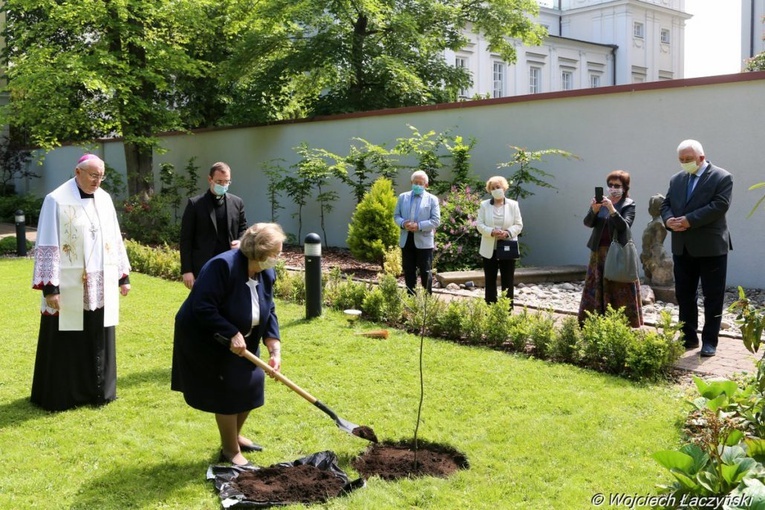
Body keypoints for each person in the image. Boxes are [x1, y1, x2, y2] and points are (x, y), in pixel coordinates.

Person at [171, 222, 285, 467]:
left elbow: (269, 308)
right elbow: (202, 306)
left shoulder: (266, 271)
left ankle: (235, 436)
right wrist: (230, 332)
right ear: (260, 252)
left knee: (252, 384)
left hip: (245, 337)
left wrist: (274, 347)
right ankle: (230, 450)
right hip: (206, 336)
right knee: (228, 390)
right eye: (276, 253)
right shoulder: (222, 266)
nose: (279, 258)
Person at [30, 154, 131, 411]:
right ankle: (64, 394)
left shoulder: (105, 199)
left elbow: (114, 238)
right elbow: (48, 242)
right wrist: (51, 288)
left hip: (100, 282)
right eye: (93, 175)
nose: (97, 180)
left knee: (98, 335)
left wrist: (122, 276)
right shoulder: (56, 200)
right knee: (67, 339)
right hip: (68, 284)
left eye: (101, 176)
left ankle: (99, 391)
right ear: (78, 172)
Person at [660, 140, 732, 357]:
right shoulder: (677, 179)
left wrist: (689, 220)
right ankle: (688, 337)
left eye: (688, 160)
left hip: (711, 247)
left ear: (701, 157)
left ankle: (710, 341)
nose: (684, 164)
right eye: (681, 160)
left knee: (713, 296)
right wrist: (669, 220)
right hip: (682, 246)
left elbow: (719, 205)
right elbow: (666, 204)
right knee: (684, 294)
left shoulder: (722, 177)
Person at [578, 170, 643, 328]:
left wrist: (613, 210)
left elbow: (624, 226)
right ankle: (593, 320)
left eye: (617, 185)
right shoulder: (601, 203)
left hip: (618, 252)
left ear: (625, 187)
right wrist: (594, 209)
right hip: (598, 252)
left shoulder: (629, 204)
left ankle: (623, 323)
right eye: (610, 185)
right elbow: (588, 223)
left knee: (619, 284)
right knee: (596, 286)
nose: (613, 188)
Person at [180, 162, 248, 289]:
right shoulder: (195, 204)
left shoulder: (237, 203)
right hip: (203, 266)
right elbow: (185, 240)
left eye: (226, 181)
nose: (223, 185)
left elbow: (243, 229)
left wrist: (240, 241)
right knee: (204, 306)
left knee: (229, 306)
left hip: (230, 264)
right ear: (210, 179)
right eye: (219, 181)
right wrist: (187, 270)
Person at [476, 176, 523, 306]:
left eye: (498, 187)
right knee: (490, 280)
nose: (496, 190)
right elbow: (479, 224)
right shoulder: (484, 205)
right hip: (489, 248)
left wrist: (507, 233)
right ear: (489, 190)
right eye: (493, 188)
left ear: (504, 188)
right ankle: (490, 308)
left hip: (507, 247)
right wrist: (491, 231)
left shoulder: (513, 205)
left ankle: (507, 309)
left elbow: (519, 225)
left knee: (508, 280)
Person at [393, 170, 441, 294]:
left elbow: (436, 221)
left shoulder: (432, 199)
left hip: (424, 241)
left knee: (426, 271)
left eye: (421, 183)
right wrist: (404, 223)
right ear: (411, 182)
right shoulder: (403, 197)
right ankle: (411, 297)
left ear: (426, 185)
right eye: (415, 182)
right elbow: (396, 216)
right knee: (408, 270)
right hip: (406, 239)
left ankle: (427, 300)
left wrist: (419, 226)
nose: (418, 185)